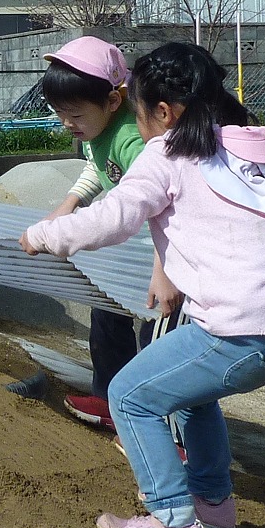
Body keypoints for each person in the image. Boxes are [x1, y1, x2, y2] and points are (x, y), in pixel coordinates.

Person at [20, 42, 265, 528]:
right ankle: (214, 505)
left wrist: (46, 234)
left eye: (140, 112)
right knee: (189, 396)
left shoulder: (168, 151)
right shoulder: (232, 148)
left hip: (238, 327)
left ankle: (175, 525)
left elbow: (114, 217)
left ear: (162, 112)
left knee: (129, 396)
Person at [30, 37, 180, 424]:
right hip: (131, 249)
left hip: (162, 255)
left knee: (156, 337)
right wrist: (67, 205)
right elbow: (95, 168)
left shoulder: (132, 139)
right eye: (60, 113)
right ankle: (112, 401)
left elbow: (167, 206)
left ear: (114, 101)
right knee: (107, 316)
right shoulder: (97, 132)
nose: (68, 124)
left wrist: (163, 271)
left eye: (76, 115)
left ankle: (163, 429)